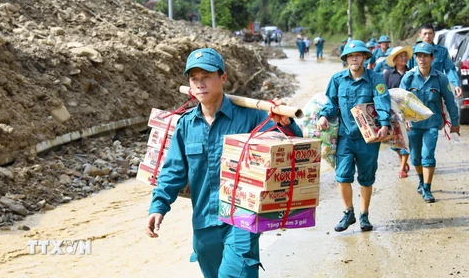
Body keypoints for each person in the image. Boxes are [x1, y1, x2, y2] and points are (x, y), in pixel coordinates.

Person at [145, 48, 302, 277]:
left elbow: (291, 147)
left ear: (223, 78)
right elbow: (173, 172)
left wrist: (286, 122)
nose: (200, 84)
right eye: (194, 79)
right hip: (203, 223)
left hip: (242, 220)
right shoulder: (186, 124)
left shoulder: (251, 116)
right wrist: (158, 207)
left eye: (206, 76)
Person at [317, 40, 391, 232]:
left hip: (369, 139)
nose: (354, 58)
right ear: (346, 59)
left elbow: (382, 102)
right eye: (350, 56)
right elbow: (331, 103)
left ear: (365, 58)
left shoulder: (376, 79)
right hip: (345, 136)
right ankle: (348, 212)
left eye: (358, 55)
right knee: (342, 176)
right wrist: (324, 116)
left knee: (367, 177)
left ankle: (364, 215)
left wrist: (384, 124)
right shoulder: (337, 79)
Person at [399, 42, 460, 203]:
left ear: (432, 58)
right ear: (416, 58)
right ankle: (420, 179)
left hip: (432, 124)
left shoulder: (440, 78)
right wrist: (401, 121)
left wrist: (455, 123)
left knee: (428, 155)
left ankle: (427, 188)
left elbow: (450, 101)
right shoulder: (408, 77)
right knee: (415, 158)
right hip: (412, 125)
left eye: (425, 56)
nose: (422, 59)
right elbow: (398, 101)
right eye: (419, 56)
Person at [407, 24, 462, 98]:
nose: (427, 36)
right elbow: (407, 71)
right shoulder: (413, 51)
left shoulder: (442, 51)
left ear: (434, 35)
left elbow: (449, 69)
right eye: (425, 34)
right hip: (417, 91)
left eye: (430, 33)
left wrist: (456, 85)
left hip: (436, 90)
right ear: (420, 35)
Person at [383, 46, 413, 178]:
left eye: (405, 56)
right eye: (401, 56)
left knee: (406, 139)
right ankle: (402, 159)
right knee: (395, 141)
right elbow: (383, 92)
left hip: (407, 110)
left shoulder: (411, 73)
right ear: (394, 60)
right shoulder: (388, 74)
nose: (404, 58)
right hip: (393, 110)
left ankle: (402, 168)